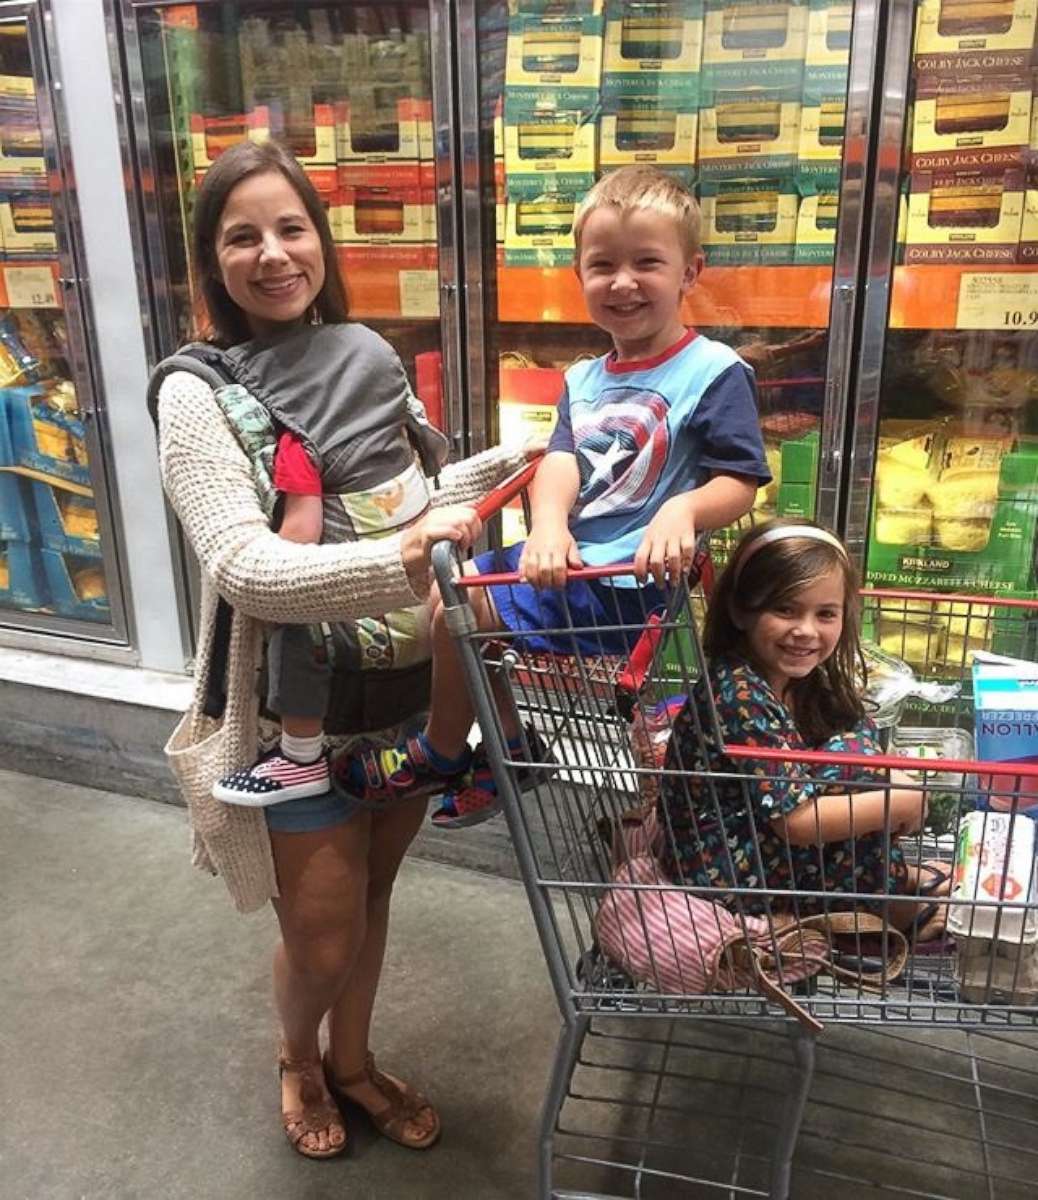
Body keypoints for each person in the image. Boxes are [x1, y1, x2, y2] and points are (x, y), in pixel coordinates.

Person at [151, 138, 533, 1159]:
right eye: (243, 236)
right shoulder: (195, 394)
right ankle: (299, 1057)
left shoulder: (365, 353)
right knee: (319, 932)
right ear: (211, 261)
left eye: (291, 228)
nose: (274, 254)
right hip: (296, 718)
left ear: (320, 239)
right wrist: (402, 557)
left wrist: (531, 456)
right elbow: (243, 565)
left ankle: (354, 1064)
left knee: (371, 898)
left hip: (411, 698)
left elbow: (421, 498)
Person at [336, 164, 771, 827]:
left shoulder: (713, 373)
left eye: (647, 262)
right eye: (603, 265)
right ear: (580, 277)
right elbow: (560, 459)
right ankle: (500, 743)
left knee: (458, 601)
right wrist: (547, 525)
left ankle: (445, 750)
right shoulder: (585, 377)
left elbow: (739, 480)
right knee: (450, 602)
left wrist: (683, 509)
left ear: (690, 272)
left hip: (635, 584)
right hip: (576, 565)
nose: (623, 282)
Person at [203, 312, 451, 807]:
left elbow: (301, 535)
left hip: (358, 631)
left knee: (296, 622)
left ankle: (300, 757)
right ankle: (481, 737)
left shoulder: (299, 446)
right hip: (428, 617)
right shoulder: (401, 432)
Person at [657, 519, 949, 936]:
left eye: (825, 613)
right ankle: (888, 910)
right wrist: (896, 801)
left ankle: (891, 880)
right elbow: (794, 824)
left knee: (856, 760)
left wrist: (889, 779)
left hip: (750, 837)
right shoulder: (738, 695)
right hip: (721, 871)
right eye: (785, 609)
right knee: (859, 784)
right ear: (741, 610)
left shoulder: (796, 678)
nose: (806, 631)